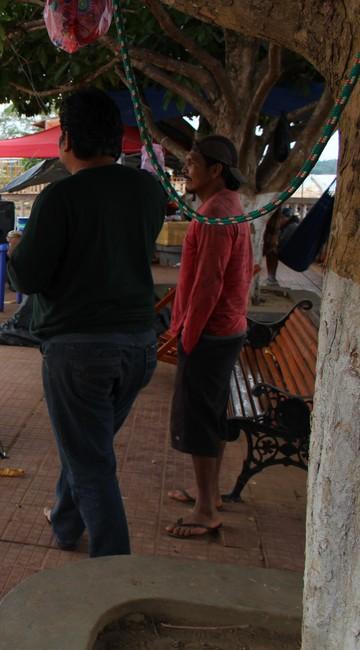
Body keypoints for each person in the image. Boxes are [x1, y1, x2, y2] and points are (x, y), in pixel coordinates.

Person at [6, 88, 166, 557]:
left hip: (79, 350)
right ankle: (65, 522)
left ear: (68, 140)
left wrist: (17, 248)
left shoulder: (60, 197)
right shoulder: (147, 190)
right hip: (140, 346)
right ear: (116, 140)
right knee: (87, 445)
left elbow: (28, 277)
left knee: (91, 460)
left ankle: (114, 569)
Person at [164, 135, 253, 540]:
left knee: (198, 419)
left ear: (216, 170)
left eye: (193, 163)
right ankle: (209, 495)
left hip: (212, 331)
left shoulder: (216, 213)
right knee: (210, 414)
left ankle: (205, 510)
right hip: (226, 327)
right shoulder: (226, 206)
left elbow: (208, 283)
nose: (186, 169)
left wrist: (187, 334)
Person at [262, 206, 299, 285]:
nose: (280, 221)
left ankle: (271, 277)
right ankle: (271, 277)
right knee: (272, 250)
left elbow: (282, 241)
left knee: (272, 251)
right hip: (294, 251)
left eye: (281, 218)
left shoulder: (291, 227)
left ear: (284, 218)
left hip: (290, 252)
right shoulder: (292, 225)